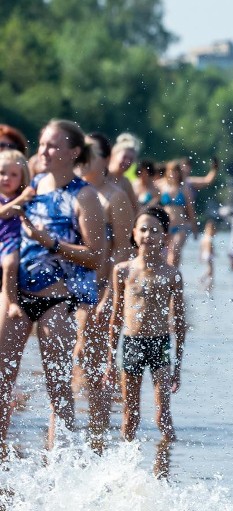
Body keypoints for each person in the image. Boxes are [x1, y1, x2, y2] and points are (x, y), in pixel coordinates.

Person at [0, 119, 106, 457]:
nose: (43, 150)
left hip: (56, 302)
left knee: (58, 387)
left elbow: (96, 256)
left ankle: (57, 465)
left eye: (52, 145)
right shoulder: (34, 182)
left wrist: (52, 242)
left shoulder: (84, 195)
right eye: (43, 143)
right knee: (2, 382)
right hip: (16, 297)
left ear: (73, 152)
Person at [105, 207, 186, 448]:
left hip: (160, 344)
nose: (148, 235)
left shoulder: (172, 274)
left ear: (164, 236)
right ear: (133, 233)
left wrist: (178, 365)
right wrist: (110, 360)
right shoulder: (123, 270)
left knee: (163, 417)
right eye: (143, 229)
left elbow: (179, 322)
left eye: (154, 230)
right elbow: (116, 316)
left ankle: (165, 469)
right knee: (131, 415)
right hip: (132, 343)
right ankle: (123, 467)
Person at [77, 132, 136, 448]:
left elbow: (124, 252)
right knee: (70, 364)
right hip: (60, 289)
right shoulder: (63, 189)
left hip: (96, 288)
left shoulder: (115, 194)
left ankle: (97, 434)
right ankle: (64, 438)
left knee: (90, 359)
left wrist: (110, 295)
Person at [0, 149, 33, 317]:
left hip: (18, 240)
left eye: (13, 174)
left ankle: (14, 301)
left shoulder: (24, 197)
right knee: (10, 263)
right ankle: (11, 301)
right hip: (4, 240)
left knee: (12, 263)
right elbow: (3, 213)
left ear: (22, 178)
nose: (6, 178)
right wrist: (21, 200)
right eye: (2, 173)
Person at [157, 160, 198, 267]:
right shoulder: (162, 187)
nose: (173, 174)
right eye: (171, 171)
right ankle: (166, 280)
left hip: (180, 227)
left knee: (174, 253)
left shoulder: (184, 189)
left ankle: (174, 280)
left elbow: (190, 210)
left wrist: (194, 229)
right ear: (167, 172)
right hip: (165, 227)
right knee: (162, 256)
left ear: (180, 173)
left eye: (176, 171)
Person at [108, 133, 140, 211]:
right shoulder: (102, 175)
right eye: (124, 157)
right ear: (113, 155)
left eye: (131, 159)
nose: (127, 162)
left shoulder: (126, 183)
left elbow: (135, 209)